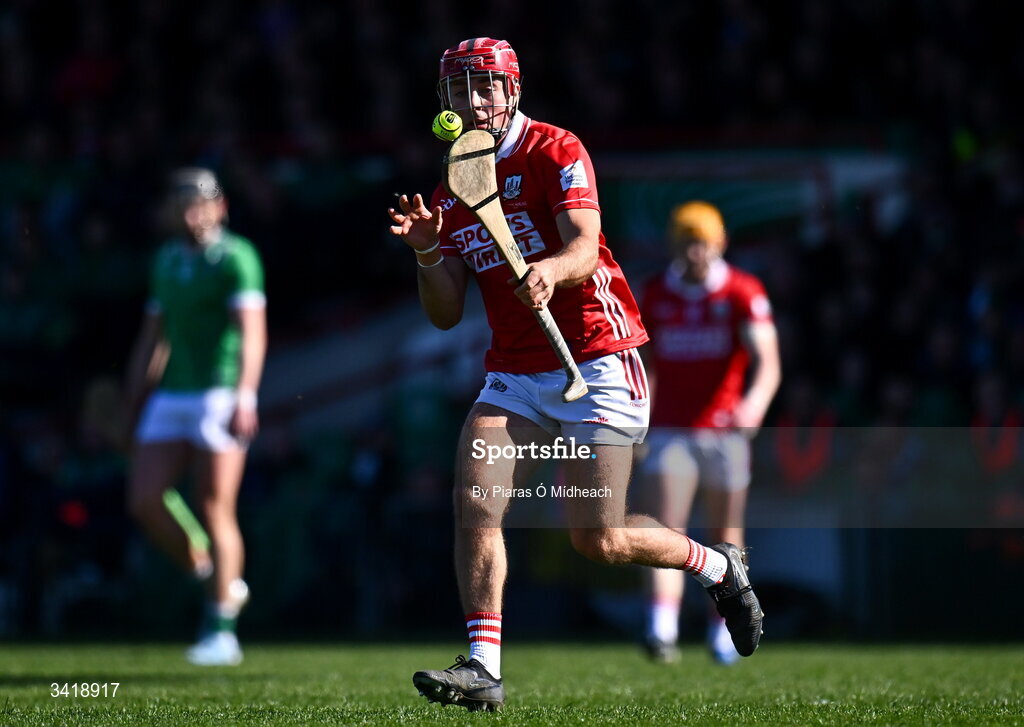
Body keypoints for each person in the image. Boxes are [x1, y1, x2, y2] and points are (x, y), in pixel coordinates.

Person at [388, 38, 764, 712]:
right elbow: (445, 311)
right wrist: (425, 250)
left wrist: (549, 270)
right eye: (459, 90)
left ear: (512, 90)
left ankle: (715, 564)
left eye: (485, 87)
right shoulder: (454, 185)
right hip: (516, 371)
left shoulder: (556, 150)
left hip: (596, 355)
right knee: (476, 497)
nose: (472, 102)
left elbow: (586, 247)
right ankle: (482, 663)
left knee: (600, 537)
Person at [123, 167, 267, 666]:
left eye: (200, 202)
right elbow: (152, 338)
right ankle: (211, 571)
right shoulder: (164, 259)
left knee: (213, 507)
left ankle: (221, 630)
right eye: (182, 202)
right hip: (172, 396)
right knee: (144, 499)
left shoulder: (237, 257)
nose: (192, 212)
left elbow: (252, 332)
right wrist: (135, 397)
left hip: (220, 394)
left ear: (219, 207)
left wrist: (246, 396)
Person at [637, 201, 781, 664]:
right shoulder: (657, 294)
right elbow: (644, 365)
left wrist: (754, 404)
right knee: (668, 532)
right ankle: (661, 629)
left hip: (723, 433)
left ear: (718, 243)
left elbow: (768, 363)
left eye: (702, 242)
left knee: (725, 535)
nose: (695, 252)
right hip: (672, 430)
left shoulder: (741, 290)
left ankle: (724, 630)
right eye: (686, 242)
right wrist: (637, 417)